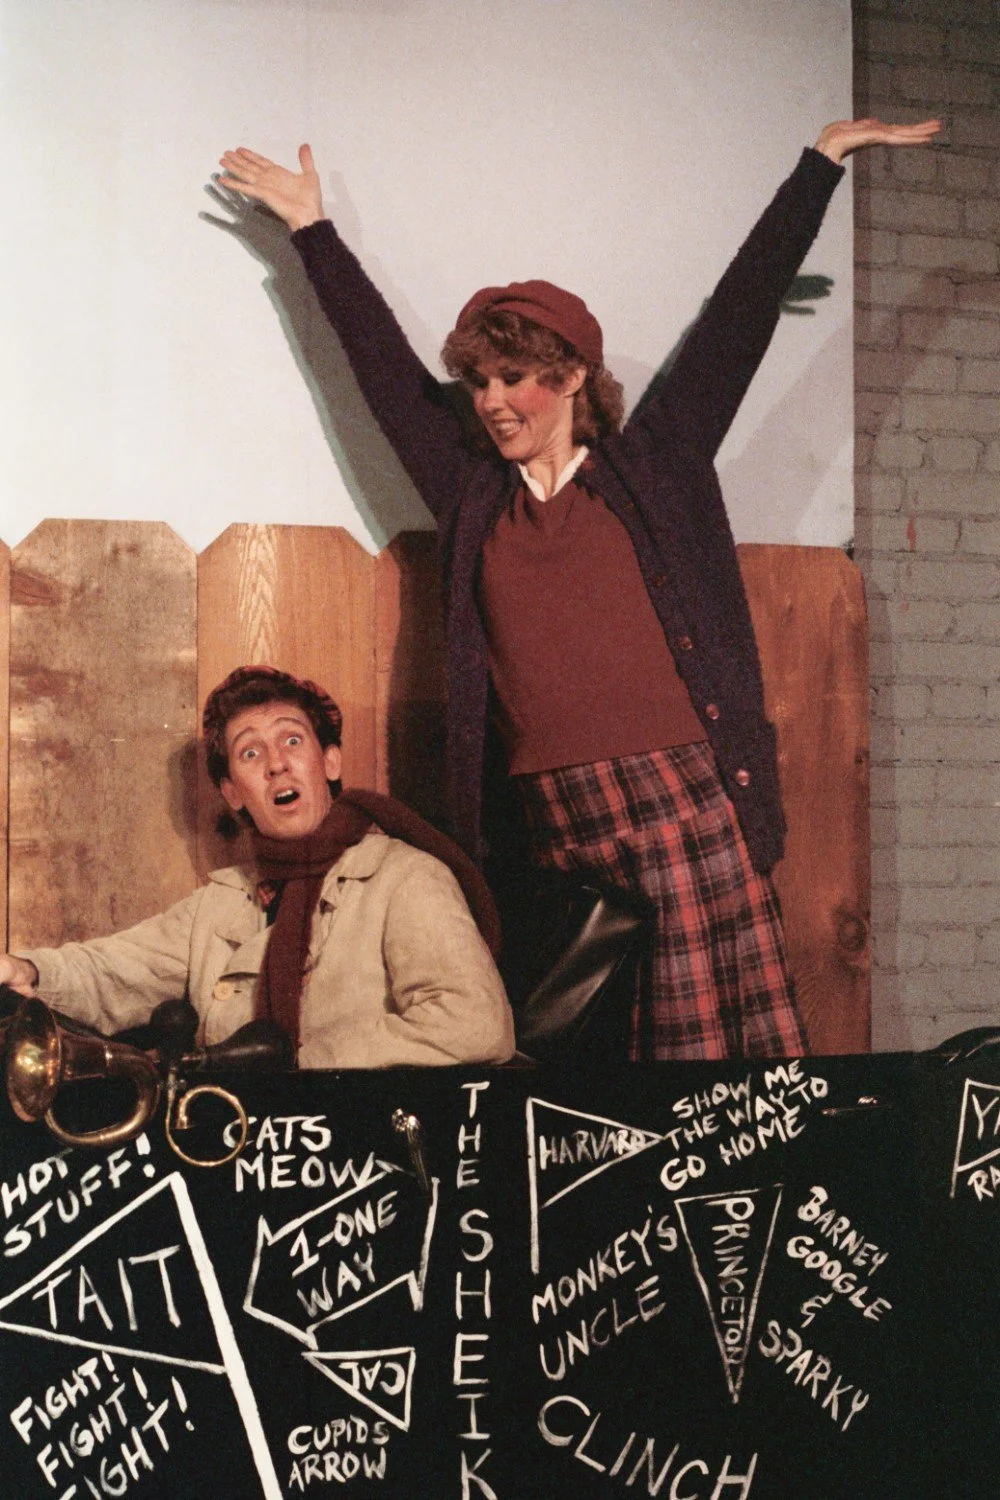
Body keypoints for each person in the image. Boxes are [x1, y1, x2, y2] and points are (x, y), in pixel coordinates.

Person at [216, 116, 940, 1063]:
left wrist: (820, 165)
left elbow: (740, 317)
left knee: (725, 1072)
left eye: (513, 377)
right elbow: (384, 379)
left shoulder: (657, 464)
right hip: (560, 826)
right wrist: (312, 234)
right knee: (596, 1081)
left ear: (571, 378)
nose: (491, 400)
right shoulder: (473, 492)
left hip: (687, 800)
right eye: (477, 381)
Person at [0, 666, 515, 1068]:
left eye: (292, 741)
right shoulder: (221, 904)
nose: (276, 763)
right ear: (232, 794)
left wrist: (295, 1064)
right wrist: (27, 970)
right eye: (250, 752)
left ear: (329, 762)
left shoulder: (405, 879)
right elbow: (110, 972)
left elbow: (474, 1024)